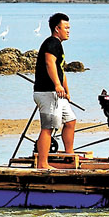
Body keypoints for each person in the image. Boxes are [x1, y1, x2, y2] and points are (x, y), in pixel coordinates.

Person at [33, 13, 76, 169]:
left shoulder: (59, 45)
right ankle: (43, 164)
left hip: (58, 93)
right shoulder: (51, 42)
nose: (68, 31)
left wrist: (66, 90)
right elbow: (49, 63)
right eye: (66, 28)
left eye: (69, 28)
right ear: (57, 29)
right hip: (47, 92)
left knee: (70, 121)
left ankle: (69, 155)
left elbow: (60, 70)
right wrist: (57, 85)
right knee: (48, 127)